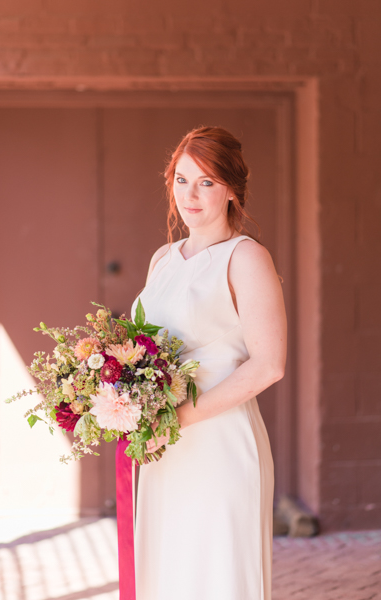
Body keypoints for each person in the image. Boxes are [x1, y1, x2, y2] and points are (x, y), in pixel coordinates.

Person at [133, 126, 286, 600]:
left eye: (207, 182)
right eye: (182, 179)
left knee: (215, 573)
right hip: (164, 444)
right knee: (168, 569)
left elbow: (268, 365)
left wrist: (175, 418)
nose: (190, 194)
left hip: (218, 440)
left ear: (232, 190)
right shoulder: (163, 258)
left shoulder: (246, 258)